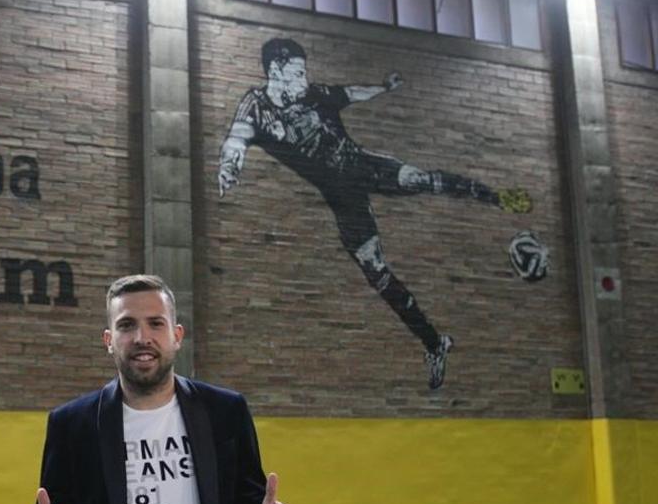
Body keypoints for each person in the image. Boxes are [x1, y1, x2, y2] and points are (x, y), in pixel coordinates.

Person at [218, 38, 533, 390]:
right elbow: (236, 138)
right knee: (376, 270)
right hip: (343, 199)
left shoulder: (315, 94)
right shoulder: (256, 106)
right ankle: (433, 343)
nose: (305, 80)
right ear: (275, 70)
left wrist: (383, 88)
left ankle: (496, 197)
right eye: (298, 72)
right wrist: (230, 166)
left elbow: (351, 92)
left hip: (362, 165)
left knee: (420, 179)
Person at [23, 274, 301, 504]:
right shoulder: (73, 423)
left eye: (156, 323)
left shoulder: (224, 411)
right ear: (109, 340)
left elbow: (249, 501)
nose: (142, 338)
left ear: (177, 335)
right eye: (127, 325)